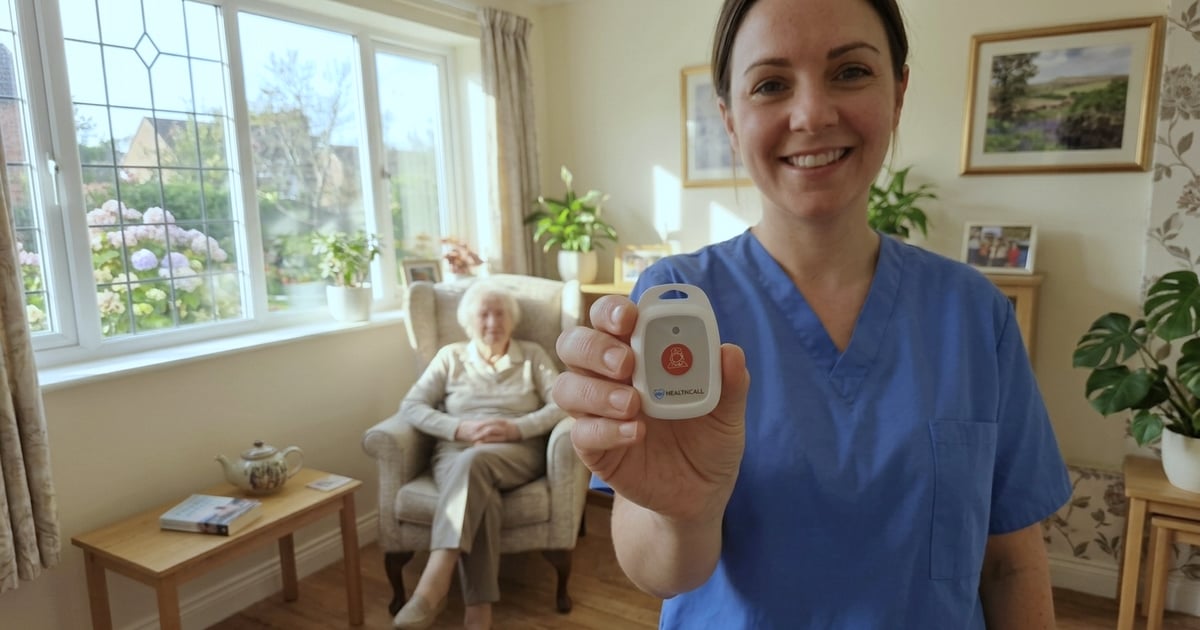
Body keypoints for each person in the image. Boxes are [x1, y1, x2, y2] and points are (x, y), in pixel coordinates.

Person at [551, 0, 1071, 628]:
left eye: (850, 72)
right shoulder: (676, 303)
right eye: (770, 84)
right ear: (730, 121)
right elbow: (662, 573)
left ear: (898, 92)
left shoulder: (974, 316)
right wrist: (683, 514)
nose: (813, 114)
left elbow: (1009, 564)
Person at [392, 280, 565, 630]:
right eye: (483, 314)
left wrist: (517, 428)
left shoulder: (532, 355)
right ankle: (478, 613)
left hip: (517, 451)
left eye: (499, 313)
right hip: (456, 451)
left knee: (476, 464)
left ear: (512, 320)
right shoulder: (450, 357)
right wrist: (460, 429)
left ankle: (433, 582)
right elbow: (411, 406)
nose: (492, 322)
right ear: (469, 321)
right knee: (480, 491)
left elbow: (562, 403)